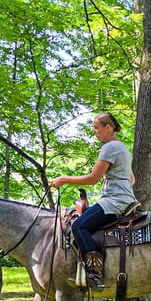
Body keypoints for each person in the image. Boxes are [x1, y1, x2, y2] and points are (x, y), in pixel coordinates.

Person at [50, 112, 137, 289]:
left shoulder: (110, 147)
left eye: (97, 128)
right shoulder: (122, 148)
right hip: (125, 199)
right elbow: (132, 180)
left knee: (78, 226)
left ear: (108, 127)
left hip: (114, 201)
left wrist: (64, 179)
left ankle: (95, 274)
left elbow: (93, 179)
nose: (94, 131)